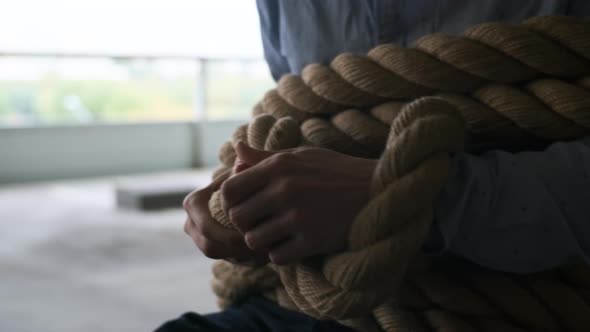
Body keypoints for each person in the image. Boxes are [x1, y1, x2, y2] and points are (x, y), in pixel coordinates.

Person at [156, 1, 590, 331]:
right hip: (323, 307)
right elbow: (294, 106)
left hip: (538, 304)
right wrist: (253, 199)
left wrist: (412, 200)